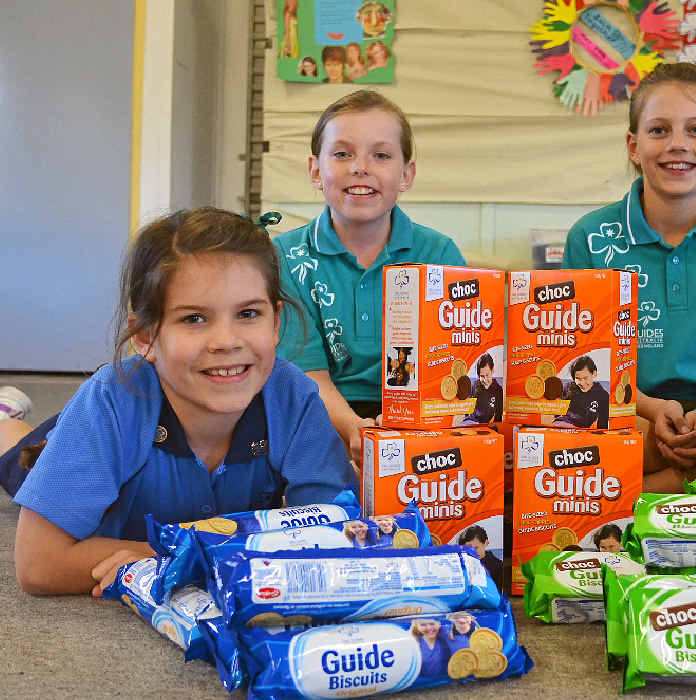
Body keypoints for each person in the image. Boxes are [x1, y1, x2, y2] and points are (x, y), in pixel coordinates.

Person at [7, 208, 358, 597]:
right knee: (18, 456)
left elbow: (334, 537)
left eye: (248, 313)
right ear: (145, 336)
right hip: (94, 438)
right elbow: (38, 566)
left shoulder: (294, 398)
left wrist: (183, 556)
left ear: (275, 323)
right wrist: (176, 556)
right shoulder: (110, 401)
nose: (226, 341)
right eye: (194, 318)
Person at [561, 62, 696, 491]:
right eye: (659, 131)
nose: (678, 145)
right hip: (625, 415)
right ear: (633, 146)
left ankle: (660, 487)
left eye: (695, 130)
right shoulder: (591, 237)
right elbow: (583, 368)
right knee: (571, 453)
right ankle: (682, 481)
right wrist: (653, 411)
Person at [274, 91, 464, 468]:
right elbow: (305, 374)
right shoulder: (284, 257)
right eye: (342, 154)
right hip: (319, 416)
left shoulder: (439, 255)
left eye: (381, 155)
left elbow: (451, 369)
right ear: (315, 170)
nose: (361, 167)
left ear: (407, 174)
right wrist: (353, 430)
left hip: (418, 421)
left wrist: (395, 429)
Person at [552, 355, 609, 429]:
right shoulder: (568, 388)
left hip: (581, 432)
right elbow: (556, 413)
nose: (582, 383)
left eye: (585, 378)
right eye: (578, 378)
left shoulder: (603, 396)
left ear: (594, 374)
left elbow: (603, 426)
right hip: (561, 425)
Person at [457, 524, 502, 591]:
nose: (472, 552)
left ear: (486, 543)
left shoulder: (497, 565)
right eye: (467, 549)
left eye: (476, 548)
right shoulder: (459, 564)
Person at [461, 353, 502, 424]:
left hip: (486, 424)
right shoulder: (474, 386)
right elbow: (467, 408)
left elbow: (498, 416)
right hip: (472, 421)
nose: (485, 380)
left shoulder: (498, 390)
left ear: (492, 371)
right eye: (482, 376)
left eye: (487, 375)